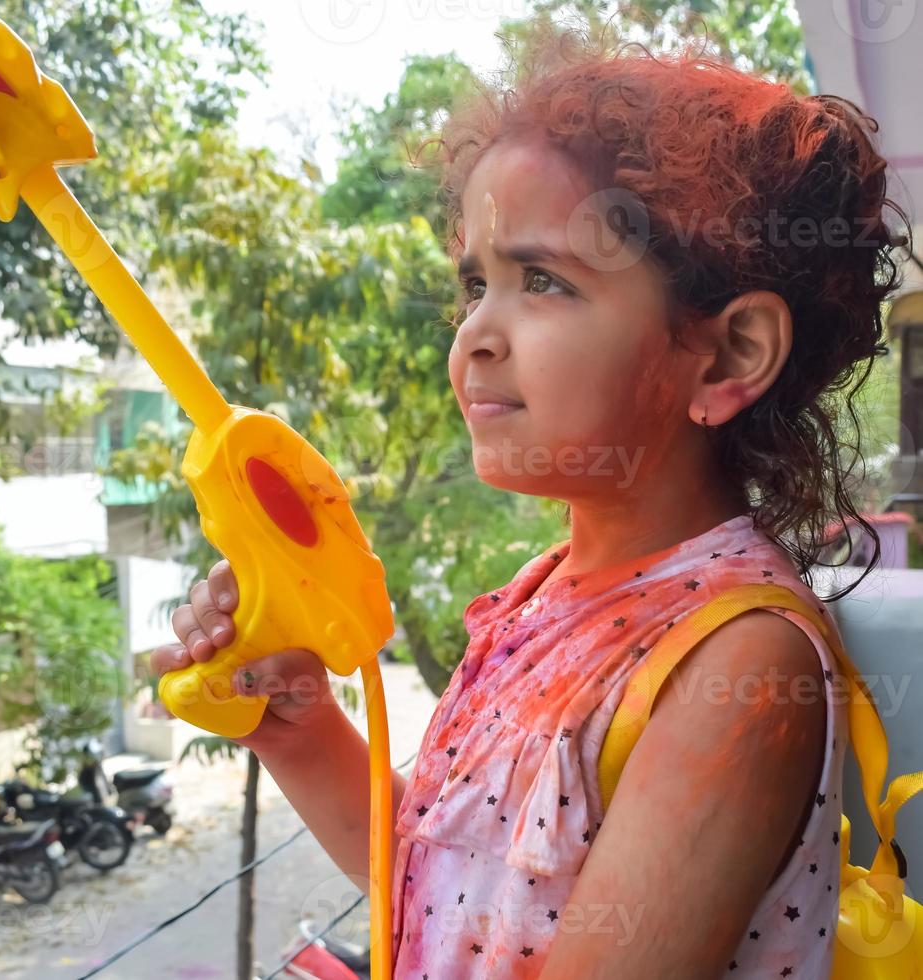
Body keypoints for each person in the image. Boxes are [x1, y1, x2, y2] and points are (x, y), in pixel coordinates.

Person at [151, 24, 911, 980]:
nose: (474, 334)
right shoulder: (539, 594)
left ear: (727, 356)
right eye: (474, 283)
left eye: (542, 280)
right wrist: (298, 729)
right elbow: (443, 898)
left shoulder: (738, 667)